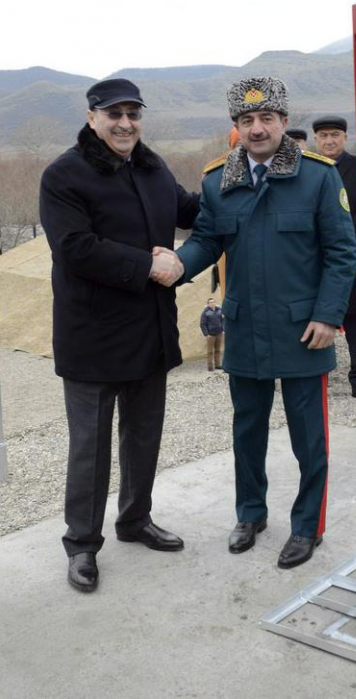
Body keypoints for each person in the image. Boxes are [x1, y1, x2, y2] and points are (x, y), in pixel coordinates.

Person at [156, 77, 356, 569]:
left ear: (284, 123)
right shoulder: (217, 180)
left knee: (308, 436)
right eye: (247, 121)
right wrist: (180, 263)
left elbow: (341, 252)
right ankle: (250, 514)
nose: (257, 128)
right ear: (237, 128)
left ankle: (307, 526)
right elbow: (208, 239)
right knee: (248, 430)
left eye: (266, 118)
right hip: (244, 328)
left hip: (303, 329)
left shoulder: (318, 175)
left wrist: (330, 316)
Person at [39, 78, 200, 592]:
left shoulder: (152, 168)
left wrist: (237, 178)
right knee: (90, 448)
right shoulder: (64, 174)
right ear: (92, 117)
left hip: (149, 331)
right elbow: (74, 247)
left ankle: (134, 520)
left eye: (133, 113)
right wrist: (147, 265)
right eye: (114, 114)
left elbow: (189, 211)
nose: (125, 123)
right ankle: (82, 545)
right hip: (92, 335)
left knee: (143, 436)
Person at [313, 114, 356, 399]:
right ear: (316, 140)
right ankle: (319, 375)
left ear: (345, 138)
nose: (329, 141)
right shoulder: (309, 170)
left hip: (354, 257)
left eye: (335, 135)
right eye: (323, 136)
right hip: (317, 259)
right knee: (319, 317)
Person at [201, 296, 225, 371]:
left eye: (213, 302)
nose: (212, 303)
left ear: (215, 303)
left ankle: (217, 365)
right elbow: (202, 324)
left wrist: (223, 329)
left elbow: (223, 320)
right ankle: (210, 367)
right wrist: (206, 334)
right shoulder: (205, 312)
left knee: (218, 350)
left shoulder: (219, 310)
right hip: (210, 335)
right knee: (210, 351)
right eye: (210, 302)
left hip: (219, 333)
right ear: (208, 304)